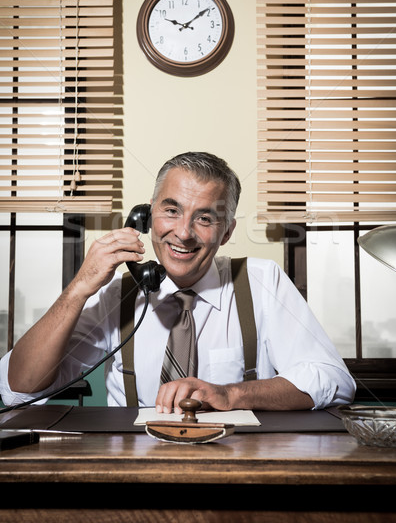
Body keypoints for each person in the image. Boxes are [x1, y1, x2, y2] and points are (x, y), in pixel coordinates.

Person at [0, 152, 355, 413]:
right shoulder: (117, 296)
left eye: (204, 218)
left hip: (239, 471)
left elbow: (334, 380)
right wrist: (78, 289)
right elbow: (18, 389)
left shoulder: (262, 281)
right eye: (171, 211)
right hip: (130, 473)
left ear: (227, 232)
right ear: (147, 215)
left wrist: (232, 395)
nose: (183, 234)